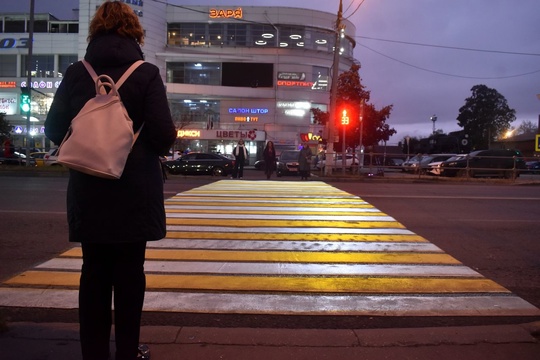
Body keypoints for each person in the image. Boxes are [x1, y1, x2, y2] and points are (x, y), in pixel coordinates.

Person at [44, 2, 177, 359]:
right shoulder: (145, 73)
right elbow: (164, 136)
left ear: (95, 31)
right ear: (134, 31)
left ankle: (94, 352)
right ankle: (128, 352)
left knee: (94, 273)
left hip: (89, 190)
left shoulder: (76, 73)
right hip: (135, 192)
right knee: (131, 274)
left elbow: (54, 129)